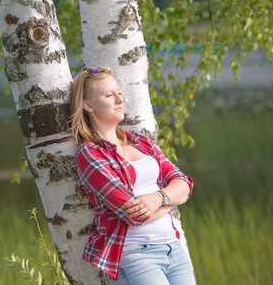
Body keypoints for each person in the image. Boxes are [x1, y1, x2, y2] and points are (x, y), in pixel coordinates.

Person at [70, 66, 196, 284]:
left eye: (119, 92)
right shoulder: (90, 154)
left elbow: (184, 183)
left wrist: (157, 198)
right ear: (88, 105)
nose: (120, 99)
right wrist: (173, 200)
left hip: (173, 249)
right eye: (109, 95)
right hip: (134, 255)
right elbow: (134, 214)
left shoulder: (141, 141)